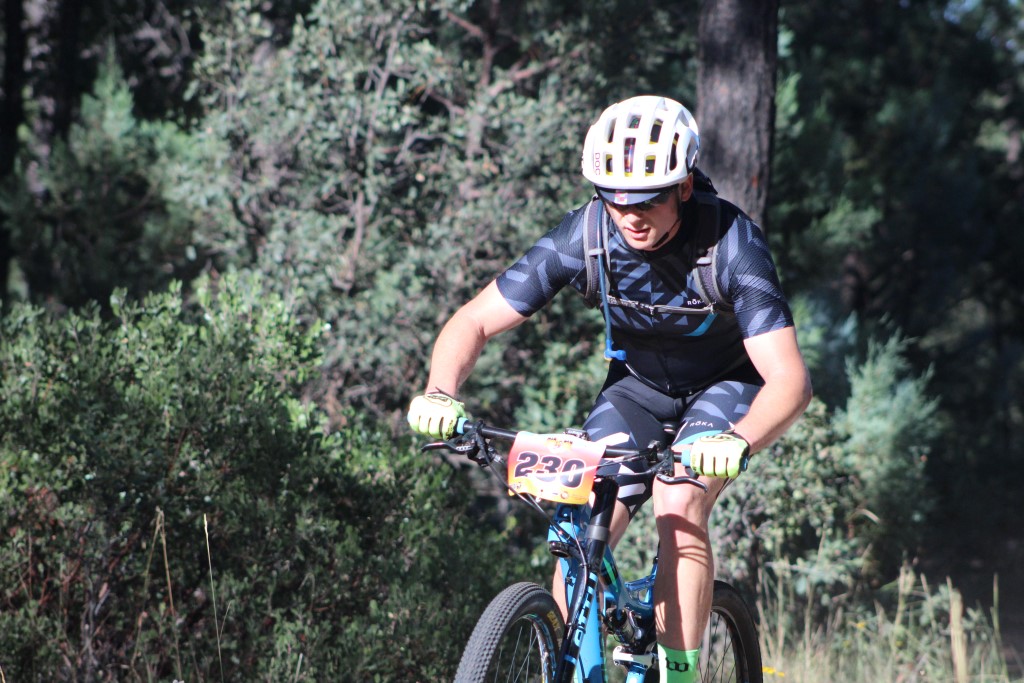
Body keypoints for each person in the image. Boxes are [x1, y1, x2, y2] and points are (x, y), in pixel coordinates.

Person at [407, 95, 812, 683]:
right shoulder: (587, 233)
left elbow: (790, 380)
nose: (630, 216)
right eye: (614, 199)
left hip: (726, 387)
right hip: (637, 391)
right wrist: (440, 391)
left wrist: (741, 440)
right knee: (576, 521)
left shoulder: (731, 243)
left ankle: (680, 676)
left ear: (684, 186)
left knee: (678, 502)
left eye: (647, 200)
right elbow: (473, 320)